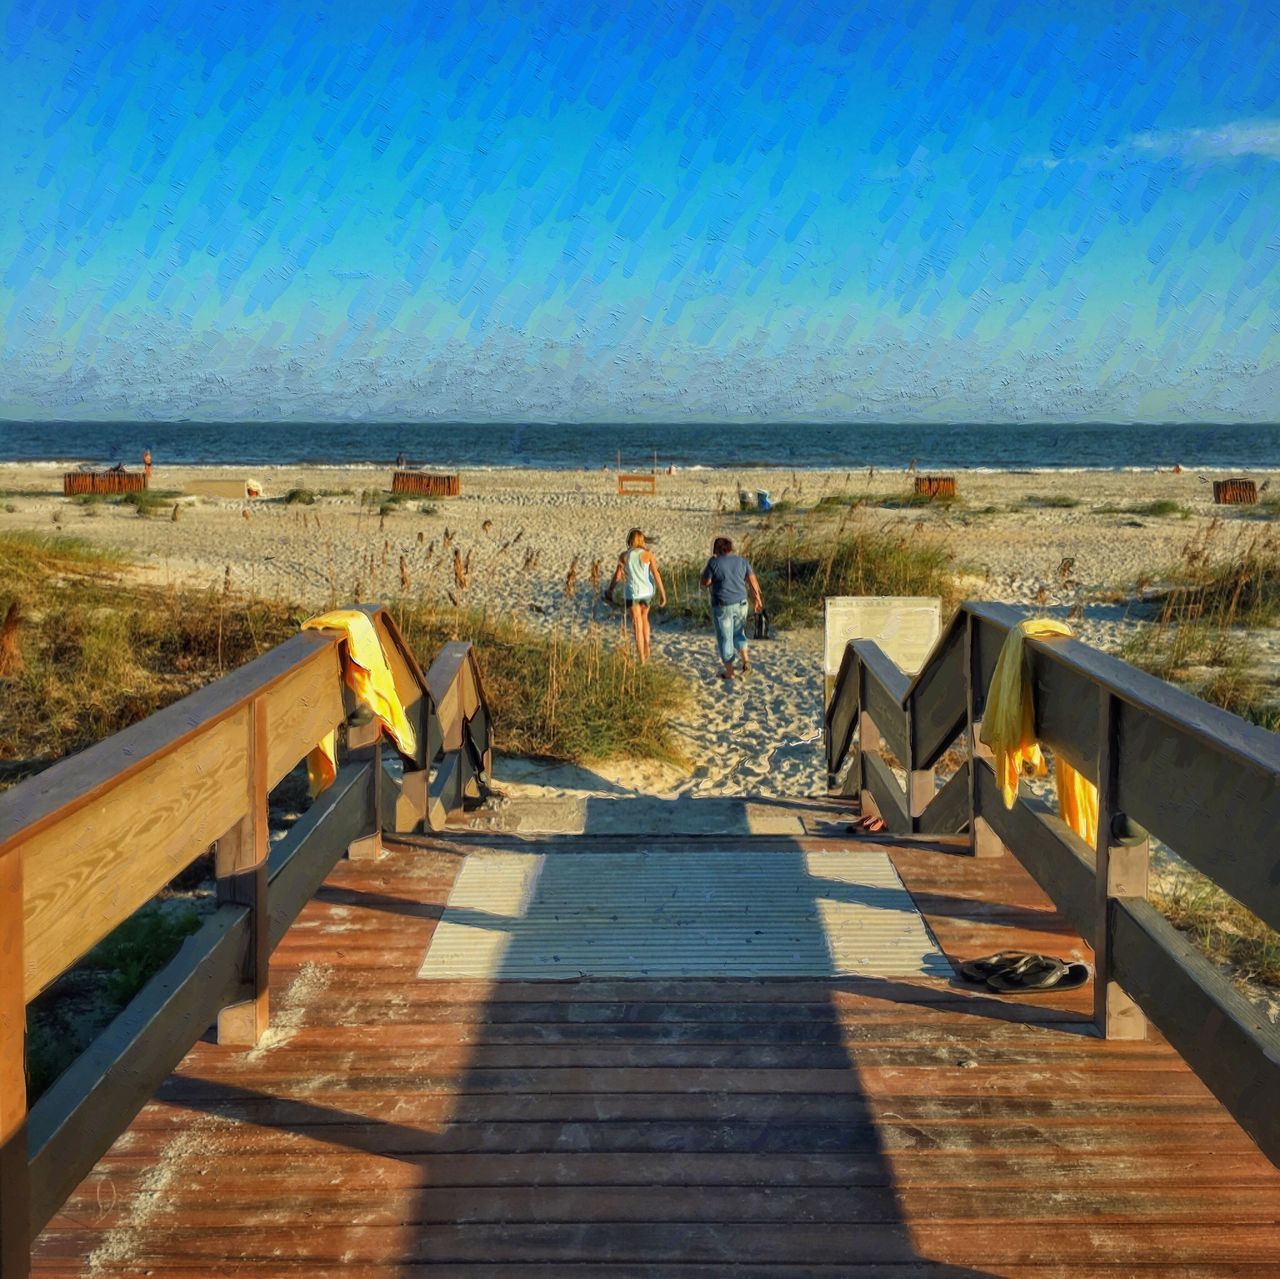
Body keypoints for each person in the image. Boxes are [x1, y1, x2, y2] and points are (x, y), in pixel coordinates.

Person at [701, 536, 764, 680]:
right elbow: (752, 580)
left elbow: (706, 581)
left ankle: (729, 672)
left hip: (723, 606)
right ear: (730, 548)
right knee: (739, 633)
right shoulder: (742, 561)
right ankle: (746, 662)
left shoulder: (714, 562)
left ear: (716, 549)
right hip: (742, 603)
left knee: (725, 638)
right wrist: (758, 599)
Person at [604, 528, 666, 662]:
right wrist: (662, 593)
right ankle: (647, 647)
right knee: (645, 619)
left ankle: (642, 658)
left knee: (637, 624)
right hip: (647, 592)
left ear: (629, 540)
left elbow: (618, 576)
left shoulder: (624, 556)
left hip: (632, 593)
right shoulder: (648, 554)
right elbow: (656, 574)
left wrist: (610, 589)